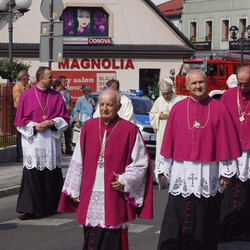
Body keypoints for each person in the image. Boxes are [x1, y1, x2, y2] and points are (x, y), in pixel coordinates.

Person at [155, 69, 241, 250]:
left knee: (205, 220)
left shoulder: (219, 108)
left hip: (208, 172)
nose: (198, 86)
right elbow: (169, 140)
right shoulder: (178, 108)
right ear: (186, 87)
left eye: (201, 82)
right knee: (175, 218)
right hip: (181, 171)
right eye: (193, 83)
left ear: (206, 83)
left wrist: (226, 171)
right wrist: (164, 168)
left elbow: (227, 141)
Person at [58, 89, 153, 250]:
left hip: (114, 194)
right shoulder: (88, 127)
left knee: (113, 239)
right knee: (91, 237)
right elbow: (77, 160)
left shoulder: (129, 130)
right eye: (102, 104)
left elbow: (141, 163)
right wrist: (74, 189)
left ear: (119, 106)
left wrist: (124, 180)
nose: (105, 108)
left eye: (109, 104)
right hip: (90, 191)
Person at [14, 66, 69, 220]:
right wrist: (35, 126)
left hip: (50, 142)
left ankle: (49, 207)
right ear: (40, 79)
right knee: (32, 174)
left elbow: (64, 119)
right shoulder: (26, 95)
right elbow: (19, 121)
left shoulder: (57, 96)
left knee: (50, 174)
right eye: (50, 77)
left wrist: (52, 122)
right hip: (33, 142)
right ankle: (30, 210)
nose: (53, 79)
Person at [219, 66, 250, 241]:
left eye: (246, 84)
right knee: (229, 192)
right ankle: (225, 230)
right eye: (240, 84)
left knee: (247, 192)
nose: (243, 88)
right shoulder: (228, 96)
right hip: (232, 151)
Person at [149, 77, 184, 164]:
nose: (165, 96)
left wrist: (172, 116)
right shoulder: (159, 100)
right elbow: (152, 114)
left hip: (174, 132)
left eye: (167, 94)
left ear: (171, 91)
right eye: (163, 94)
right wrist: (159, 116)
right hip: (162, 131)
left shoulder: (179, 100)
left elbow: (183, 116)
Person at [12, 70, 30, 162]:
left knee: (24, 134)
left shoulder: (23, 88)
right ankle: (20, 155)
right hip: (20, 112)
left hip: (23, 112)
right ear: (24, 78)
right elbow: (20, 104)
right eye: (28, 78)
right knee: (20, 134)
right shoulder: (18, 88)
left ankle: (23, 154)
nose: (28, 80)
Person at [58, 75, 73, 155]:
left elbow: (70, 101)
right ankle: (60, 149)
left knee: (68, 132)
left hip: (67, 115)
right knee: (60, 133)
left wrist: (70, 108)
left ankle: (68, 148)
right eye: (64, 81)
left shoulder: (67, 91)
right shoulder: (58, 92)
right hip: (61, 115)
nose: (65, 83)